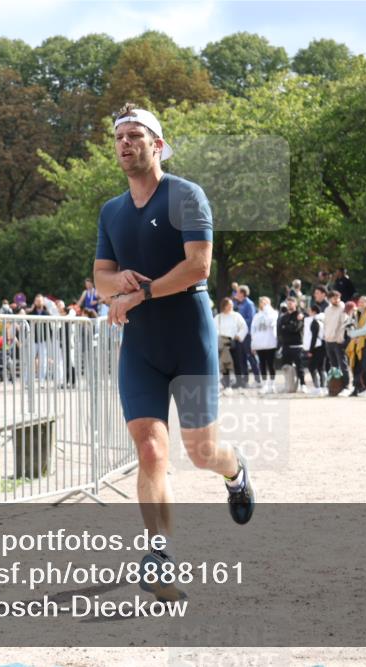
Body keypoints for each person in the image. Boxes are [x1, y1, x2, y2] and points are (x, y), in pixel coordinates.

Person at [92, 103, 253, 600]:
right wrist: (114, 282)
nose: (125, 143)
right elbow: (99, 279)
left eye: (136, 135)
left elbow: (198, 268)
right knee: (149, 449)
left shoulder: (186, 195)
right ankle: (158, 555)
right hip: (140, 344)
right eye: (119, 136)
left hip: (188, 335)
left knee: (202, 452)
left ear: (157, 144)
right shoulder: (111, 211)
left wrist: (137, 294)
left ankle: (236, 471)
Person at [214, 297, 248, 395]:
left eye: (232, 305)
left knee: (237, 363)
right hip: (223, 343)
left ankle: (239, 382)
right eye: (229, 305)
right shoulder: (218, 317)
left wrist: (239, 335)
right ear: (224, 306)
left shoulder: (236, 316)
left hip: (234, 342)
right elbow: (214, 329)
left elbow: (244, 327)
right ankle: (226, 384)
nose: (231, 307)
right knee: (225, 365)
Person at [346, 296, 366, 397]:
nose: (360, 304)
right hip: (358, 344)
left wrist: (352, 334)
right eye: (359, 302)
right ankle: (358, 388)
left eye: (363, 302)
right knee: (357, 367)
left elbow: (365, 330)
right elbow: (351, 325)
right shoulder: (358, 314)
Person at [250, 296, 279, 394]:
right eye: (262, 302)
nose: (263, 304)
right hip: (260, 344)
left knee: (271, 364)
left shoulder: (274, 313)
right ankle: (264, 384)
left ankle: (272, 384)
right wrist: (253, 344)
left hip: (270, 343)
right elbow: (253, 331)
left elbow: (271, 323)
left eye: (265, 302)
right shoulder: (257, 316)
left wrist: (267, 310)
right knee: (262, 365)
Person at [277, 295, 306, 392]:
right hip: (286, 345)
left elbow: (296, 328)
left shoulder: (299, 315)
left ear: (295, 304)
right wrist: (288, 326)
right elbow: (281, 329)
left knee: (299, 367)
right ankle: (289, 386)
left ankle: (303, 385)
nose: (289, 304)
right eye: (288, 303)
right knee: (286, 367)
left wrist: (287, 327)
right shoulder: (283, 317)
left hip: (297, 345)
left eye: (291, 302)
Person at [233, 285, 260, 389]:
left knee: (250, 357)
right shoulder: (237, 304)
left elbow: (251, 319)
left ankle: (258, 380)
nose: (236, 294)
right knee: (241, 358)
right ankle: (245, 381)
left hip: (247, 335)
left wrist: (240, 322)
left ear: (243, 294)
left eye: (238, 292)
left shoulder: (249, 304)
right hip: (239, 336)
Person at [322, 289, 349, 389]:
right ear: (329, 299)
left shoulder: (343, 308)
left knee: (343, 364)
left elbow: (344, 324)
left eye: (338, 298)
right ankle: (336, 386)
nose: (336, 300)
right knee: (333, 366)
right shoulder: (327, 310)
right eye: (334, 298)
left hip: (338, 341)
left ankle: (346, 386)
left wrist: (340, 338)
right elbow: (326, 325)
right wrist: (325, 336)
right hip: (328, 340)